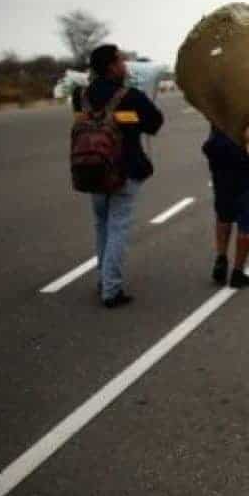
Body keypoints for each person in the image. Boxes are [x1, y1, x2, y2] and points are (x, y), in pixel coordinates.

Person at [72, 44, 164, 309]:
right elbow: (155, 123)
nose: (126, 65)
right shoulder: (131, 96)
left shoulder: (81, 95)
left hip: (91, 168)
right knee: (118, 228)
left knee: (101, 225)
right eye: (122, 60)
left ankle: (103, 278)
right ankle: (111, 289)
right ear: (111, 66)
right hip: (124, 171)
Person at [203, 125, 249, 289]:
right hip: (245, 158)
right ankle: (238, 271)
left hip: (220, 155)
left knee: (224, 213)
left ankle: (221, 257)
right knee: (247, 221)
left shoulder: (217, 99)